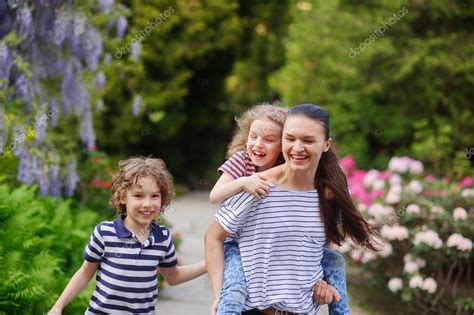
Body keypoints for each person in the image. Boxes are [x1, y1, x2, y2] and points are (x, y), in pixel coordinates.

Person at [206, 104, 378, 314]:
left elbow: (321, 249)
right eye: (290, 139)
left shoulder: (329, 195)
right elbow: (213, 236)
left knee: (335, 261)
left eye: (308, 140)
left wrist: (321, 283)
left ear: (326, 145)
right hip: (254, 310)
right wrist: (220, 295)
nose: (297, 148)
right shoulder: (256, 185)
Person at [49, 157, 207, 314]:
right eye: (138, 196)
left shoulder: (163, 237)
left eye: (154, 196)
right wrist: (58, 306)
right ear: (123, 197)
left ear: (162, 198)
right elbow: (85, 273)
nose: (147, 204)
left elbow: (174, 276)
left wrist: (210, 262)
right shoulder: (105, 233)